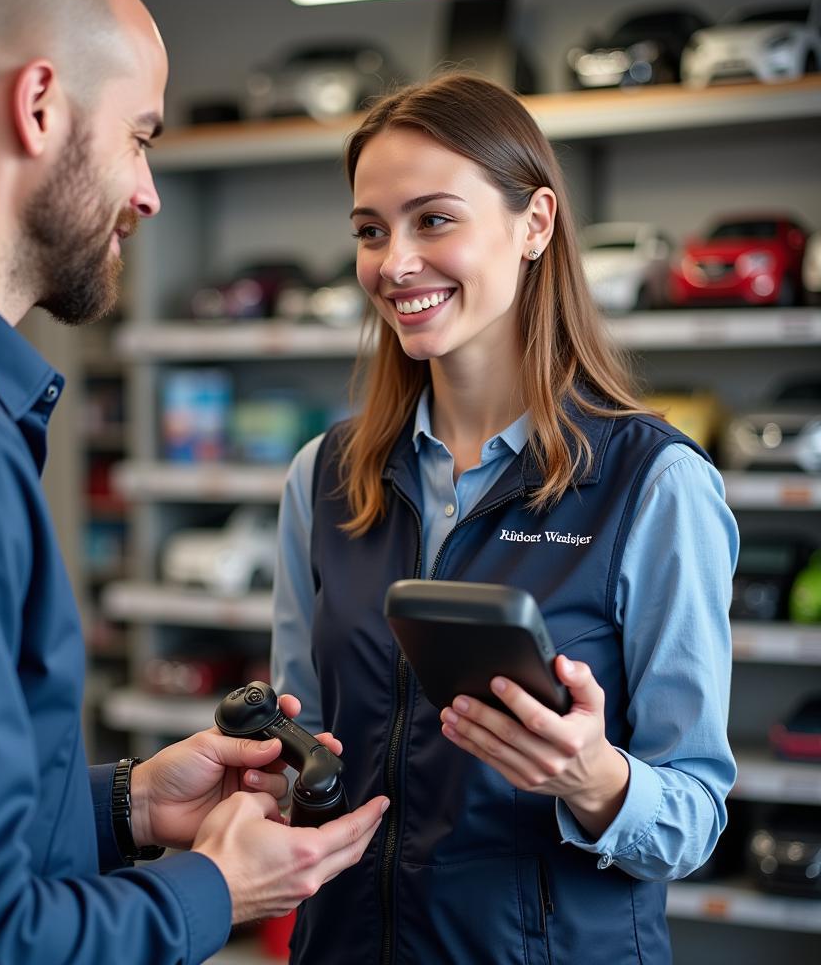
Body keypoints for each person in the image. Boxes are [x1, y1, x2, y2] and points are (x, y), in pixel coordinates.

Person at [0, 0, 388, 963]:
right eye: (140, 137)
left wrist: (121, 806)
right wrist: (215, 886)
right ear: (38, 106)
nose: (148, 192)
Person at [271, 72, 738, 965]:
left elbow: (696, 818)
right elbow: (307, 750)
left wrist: (595, 781)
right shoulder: (324, 479)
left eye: (434, 219)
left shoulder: (655, 484)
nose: (394, 262)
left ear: (535, 225)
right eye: (371, 231)